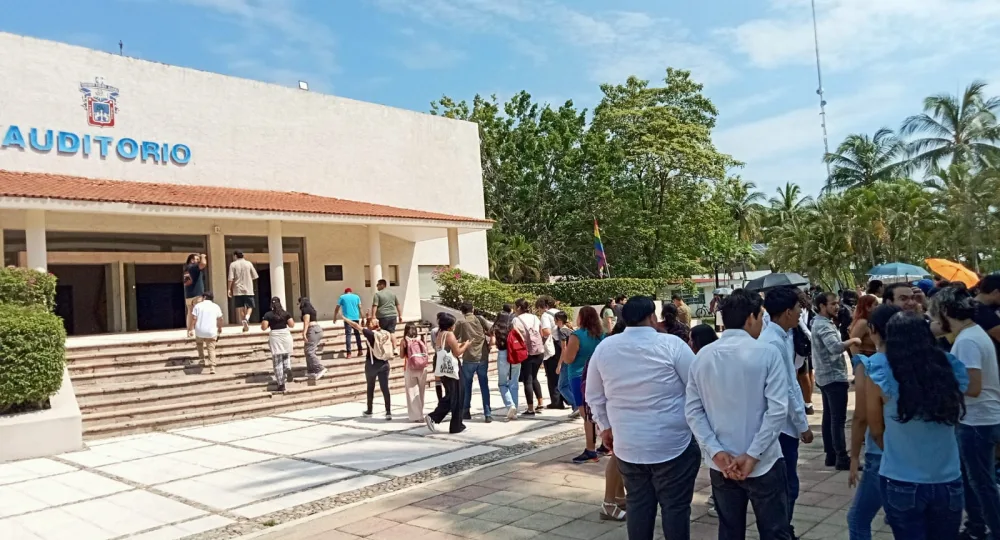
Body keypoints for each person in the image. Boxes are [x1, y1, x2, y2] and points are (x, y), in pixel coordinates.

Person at [587, 296, 699, 540]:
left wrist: (605, 427)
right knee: (676, 508)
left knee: (638, 505)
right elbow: (697, 386)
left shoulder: (605, 347)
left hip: (628, 444)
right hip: (673, 443)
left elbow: (593, 395)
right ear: (652, 317)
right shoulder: (672, 345)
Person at [685, 289, 791, 540]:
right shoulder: (766, 353)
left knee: (730, 531)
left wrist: (716, 451)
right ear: (751, 318)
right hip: (763, 461)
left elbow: (692, 410)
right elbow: (777, 410)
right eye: (761, 317)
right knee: (775, 531)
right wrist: (752, 455)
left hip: (722, 464)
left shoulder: (703, 356)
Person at [866, 312, 969, 540]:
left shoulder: (879, 371)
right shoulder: (949, 368)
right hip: (948, 479)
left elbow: (875, 429)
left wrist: (898, 451)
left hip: (901, 478)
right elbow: (956, 419)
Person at [930, 286, 1000, 540]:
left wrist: (943, 380)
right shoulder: (971, 334)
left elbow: (972, 386)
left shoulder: (968, 341)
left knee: (983, 484)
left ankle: (993, 529)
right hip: (979, 419)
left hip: (978, 421)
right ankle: (977, 527)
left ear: (947, 312)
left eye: (938, 315)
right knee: (976, 480)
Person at [760, 287, 815, 538]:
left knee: (786, 484)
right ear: (786, 313)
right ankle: (781, 531)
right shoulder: (772, 341)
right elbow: (788, 387)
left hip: (783, 424)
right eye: (797, 309)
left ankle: (783, 528)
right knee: (786, 485)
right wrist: (802, 423)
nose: (800, 312)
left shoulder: (782, 335)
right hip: (781, 425)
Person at [846, 304, 900, 540]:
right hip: (910, 452)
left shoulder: (868, 365)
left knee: (858, 519)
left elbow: (861, 417)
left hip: (880, 453)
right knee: (903, 519)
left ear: (873, 330)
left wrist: (855, 456)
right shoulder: (921, 362)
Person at [813, 292, 862, 470]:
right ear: (821, 306)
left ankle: (831, 455)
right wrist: (853, 340)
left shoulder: (820, 322)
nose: (837, 307)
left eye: (837, 303)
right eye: (832, 304)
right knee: (837, 419)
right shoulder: (823, 325)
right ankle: (841, 457)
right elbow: (834, 348)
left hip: (825, 376)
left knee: (829, 418)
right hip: (833, 376)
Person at [589, 319, 628, 522]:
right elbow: (594, 391)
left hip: (611, 416)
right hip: (610, 416)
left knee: (620, 457)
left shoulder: (609, 352)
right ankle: (609, 502)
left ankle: (619, 497)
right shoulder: (606, 353)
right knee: (617, 457)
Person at [562, 306, 605, 464]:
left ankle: (590, 448)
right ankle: (605, 444)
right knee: (599, 410)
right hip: (599, 375)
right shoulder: (602, 335)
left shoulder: (577, 336)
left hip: (579, 376)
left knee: (586, 414)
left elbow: (568, 359)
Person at [426, 312, 470, 434]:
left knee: (453, 395)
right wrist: (466, 345)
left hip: (444, 369)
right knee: (457, 394)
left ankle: (456, 424)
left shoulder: (440, 334)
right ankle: (435, 417)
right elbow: (457, 352)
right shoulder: (449, 334)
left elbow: (448, 349)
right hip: (452, 369)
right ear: (450, 325)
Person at [344, 317, 395, 420]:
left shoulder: (371, 334)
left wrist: (345, 319)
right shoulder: (385, 333)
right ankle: (388, 411)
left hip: (372, 364)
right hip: (385, 363)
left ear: (370, 325)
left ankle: (369, 410)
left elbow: (356, 326)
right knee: (385, 388)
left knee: (370, 387)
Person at [454, 302, 491, 422]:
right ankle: (487, 413)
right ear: (473, 309)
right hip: (483, 356)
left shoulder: (461, 323)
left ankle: (466, 411)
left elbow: (454, 337)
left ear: (462, 311)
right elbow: (491, 331)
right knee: (484, 385)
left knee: (467, 385)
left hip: (469, 357)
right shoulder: (480, 319)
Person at [513, 298, 544, 416]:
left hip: (527, 353)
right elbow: (541, 333)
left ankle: (530, 408)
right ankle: (540, 402)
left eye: (515, 307)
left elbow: (516, 337)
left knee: (528, 380)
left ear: (519, 308)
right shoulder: (535, 317)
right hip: (539, 351)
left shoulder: (516, 320)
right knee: (534, 377)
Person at [261, 297, 295, 393]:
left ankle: (281, 384)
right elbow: (292, 325)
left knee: (277, 362)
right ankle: (288, 368)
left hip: (275, 337)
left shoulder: (268, 314)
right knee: (286, 356)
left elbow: (264, 327)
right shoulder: (286, 313)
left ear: (271, 304)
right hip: (285, 336)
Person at [539, 296, 565, 410]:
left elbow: (546, 331)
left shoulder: (545, 315)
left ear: (544, 306)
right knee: (562, 372)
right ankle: (566, 398)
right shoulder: (559, 312)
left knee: (552, 373)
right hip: (563, 344)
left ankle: (556, 401)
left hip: (553, 345)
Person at [493, 304, 519, 420]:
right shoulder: (514, 323)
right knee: (514, 383)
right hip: (515, 353)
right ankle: (515, 410)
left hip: (503, 353)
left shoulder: (497, 325)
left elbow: (490, 333)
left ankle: (510, 405)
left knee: (502, 383)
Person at [400, 322, 429, 422]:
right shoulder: (420, 339)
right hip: (422, 368)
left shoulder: (404, 341)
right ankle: (420, 412)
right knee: (421, 391)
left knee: (412, 392)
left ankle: (417, 416)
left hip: (410, 367)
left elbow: (401, 355)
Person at [794, 290, 816, 415]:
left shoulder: (799, 309)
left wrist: (810, 336)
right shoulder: (808, 307)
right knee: (809, 373)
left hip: (800, 344)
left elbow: (802, 326)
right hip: (807, 345)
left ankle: (806, 402)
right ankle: (809, 401)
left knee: (802, 374)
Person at [191, 291, 224, 374]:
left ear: (204, 297)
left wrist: (191, 329)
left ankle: (202, 359)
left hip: (199, 331)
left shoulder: (197, 306)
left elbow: (194, 318)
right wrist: (219, 328)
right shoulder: (216, 306)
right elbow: (220, 319)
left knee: (199, 344)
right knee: (211, 349)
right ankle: (212, 367)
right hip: (211, 331)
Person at [227, 250, 258, 332]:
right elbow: (255, 276)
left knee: (240, 307)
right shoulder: (249, 263)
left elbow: (230, 278)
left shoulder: (233, 264)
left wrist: (229, 289)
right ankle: (247, 318)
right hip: (248, 288)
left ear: (235, 256)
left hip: (237, 289)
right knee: (250, 306)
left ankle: (244, 323)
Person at [298, 297, 326, 380]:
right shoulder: (312, 309)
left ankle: (319, 368)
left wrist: (304, 333)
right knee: (308, 350)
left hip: (312, 330)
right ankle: (311, 371)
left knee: (309, 351)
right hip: (317, 330)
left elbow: (307, 321)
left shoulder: (305, 310)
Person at [334, 288, 364, 358]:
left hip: (347, 319)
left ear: (345, 292)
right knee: (357, 334)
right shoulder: (357, 297)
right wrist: (363, 318)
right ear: (351, 292)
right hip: (356, 318)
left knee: (348, 335)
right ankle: (360, 350)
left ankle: (349, 353)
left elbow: (337, 308)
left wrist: (335, 317)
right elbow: (360, 307)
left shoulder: (342, 297)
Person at [183, 253, 207, 337]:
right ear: (192, 260)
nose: (198, 261)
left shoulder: (186, 268)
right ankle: (195, 330)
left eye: (198, 259)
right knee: (198, 313)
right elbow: (203, 264)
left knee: (190, 312)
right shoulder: (193, 267)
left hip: (188, 295)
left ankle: (190, 330)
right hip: (197, 294)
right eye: (196, 259)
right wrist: (203, 256)